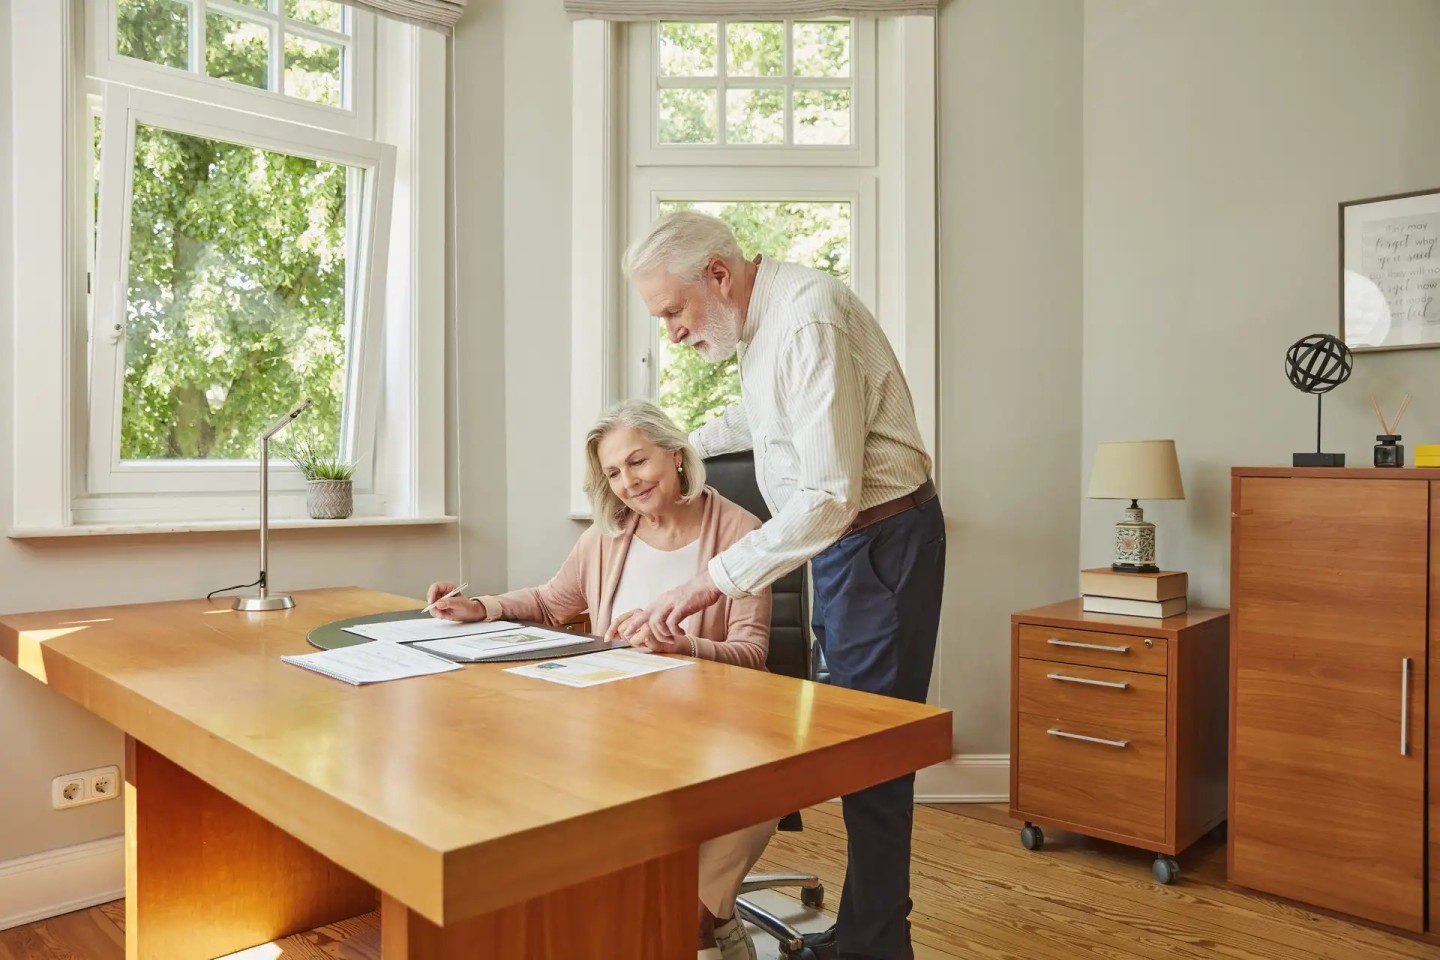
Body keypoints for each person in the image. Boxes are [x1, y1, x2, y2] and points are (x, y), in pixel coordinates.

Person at [614, 211, 946, 960]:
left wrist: (710, 584)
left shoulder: (805, 321)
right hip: (849, 546)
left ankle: (877, 946)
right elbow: (765, 420)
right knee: (865, 750)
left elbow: (827, 495)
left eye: (673, 311)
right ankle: (868, 932)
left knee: (875, 756)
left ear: (719, 277)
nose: (671, 332)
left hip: (878, 541)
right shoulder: (763, 328)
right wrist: (677, 449)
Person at [425, 398, 774, 960]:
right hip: (615, 719)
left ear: (676, 454)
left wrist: (683, 645)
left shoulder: (740, 532)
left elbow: (753, 653)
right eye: (613, 473)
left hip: (710, 725)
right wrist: (482, 606)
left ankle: (703, 920)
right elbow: (548, 601)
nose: (627, 482)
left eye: (637, 462)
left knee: (762, 789)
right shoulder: (608, 536)